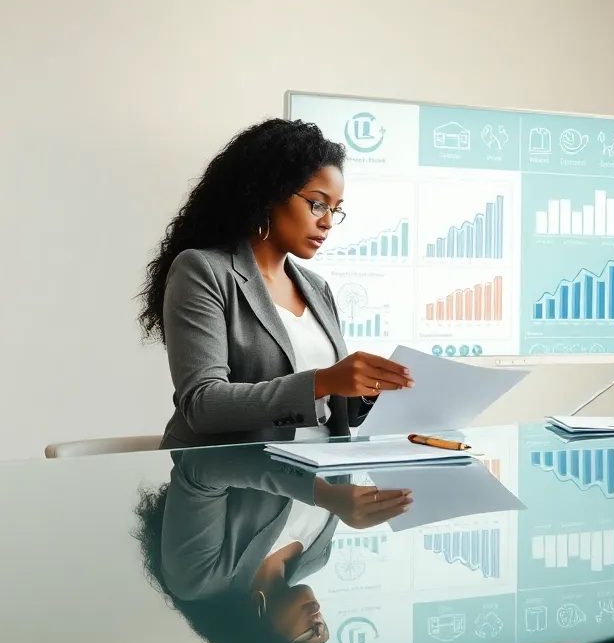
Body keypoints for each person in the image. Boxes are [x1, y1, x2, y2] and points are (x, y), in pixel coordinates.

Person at [140, 119, 413, 448]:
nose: (327, 221)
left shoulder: (317, 288)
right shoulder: (203, 271)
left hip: (322, 483)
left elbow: (333, 407)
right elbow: (202, 404)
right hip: (229, 486)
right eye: (317, 203)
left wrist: (373, 388)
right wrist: (324, 380)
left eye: (335, 209)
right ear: (269, 194)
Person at [134, 448, 412, 643]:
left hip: (249, 392)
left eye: (308, 634)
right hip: (326, 395)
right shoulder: (317, 556)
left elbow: (200, 467)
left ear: (261, 634)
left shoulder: (199, 578)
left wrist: (321, 494)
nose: (319, 621)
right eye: (324, 630)